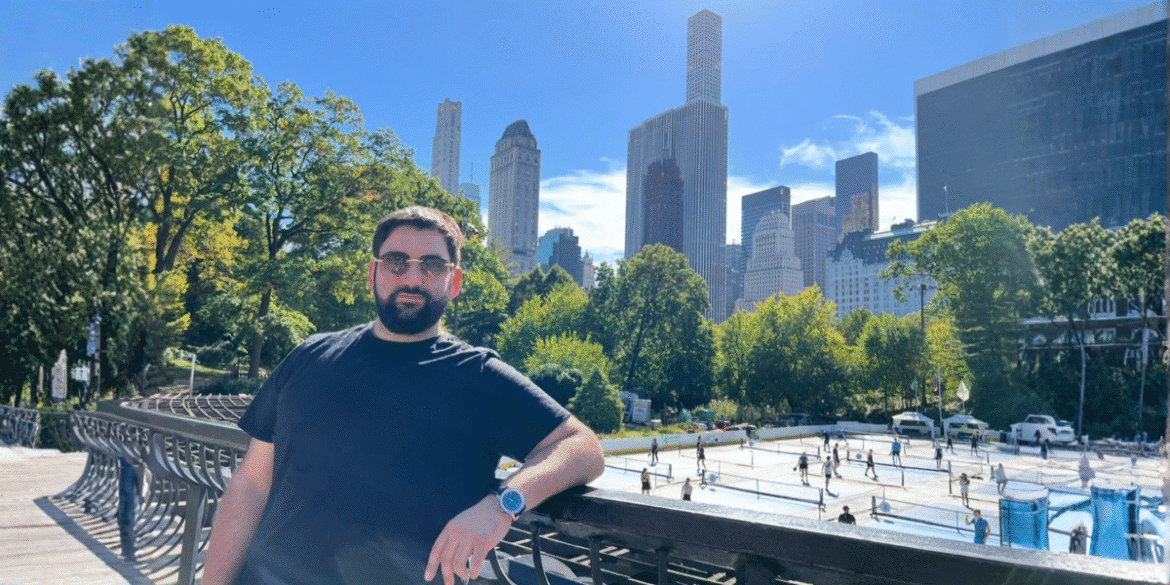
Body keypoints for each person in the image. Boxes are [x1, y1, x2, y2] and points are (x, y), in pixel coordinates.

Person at [203, 207, 606, 585]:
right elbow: (250, 487)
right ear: (373, 273)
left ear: (456, 281)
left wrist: (501, 506)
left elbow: (583, 447)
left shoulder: (479, 377)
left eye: (432, 265)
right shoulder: (308, 357)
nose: (412, 278)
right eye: (396, 262)